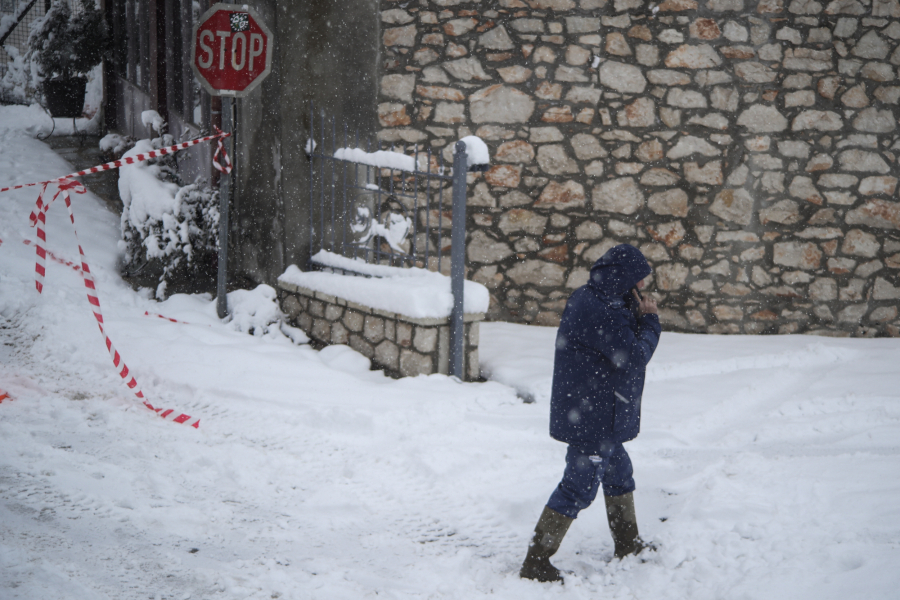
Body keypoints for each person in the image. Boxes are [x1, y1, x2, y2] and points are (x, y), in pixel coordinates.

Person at [520, 243, 661, 583]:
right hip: (592, 416)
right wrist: (651, 320)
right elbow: (633, 357)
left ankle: (628, 544)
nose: (641, 287)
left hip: (598, 410)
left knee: (619, 473)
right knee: (578, 486)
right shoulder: (600, 309)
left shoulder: (600, 298)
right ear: (622, 278)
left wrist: (635, 311)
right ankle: (536, 561)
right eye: (638, 281)